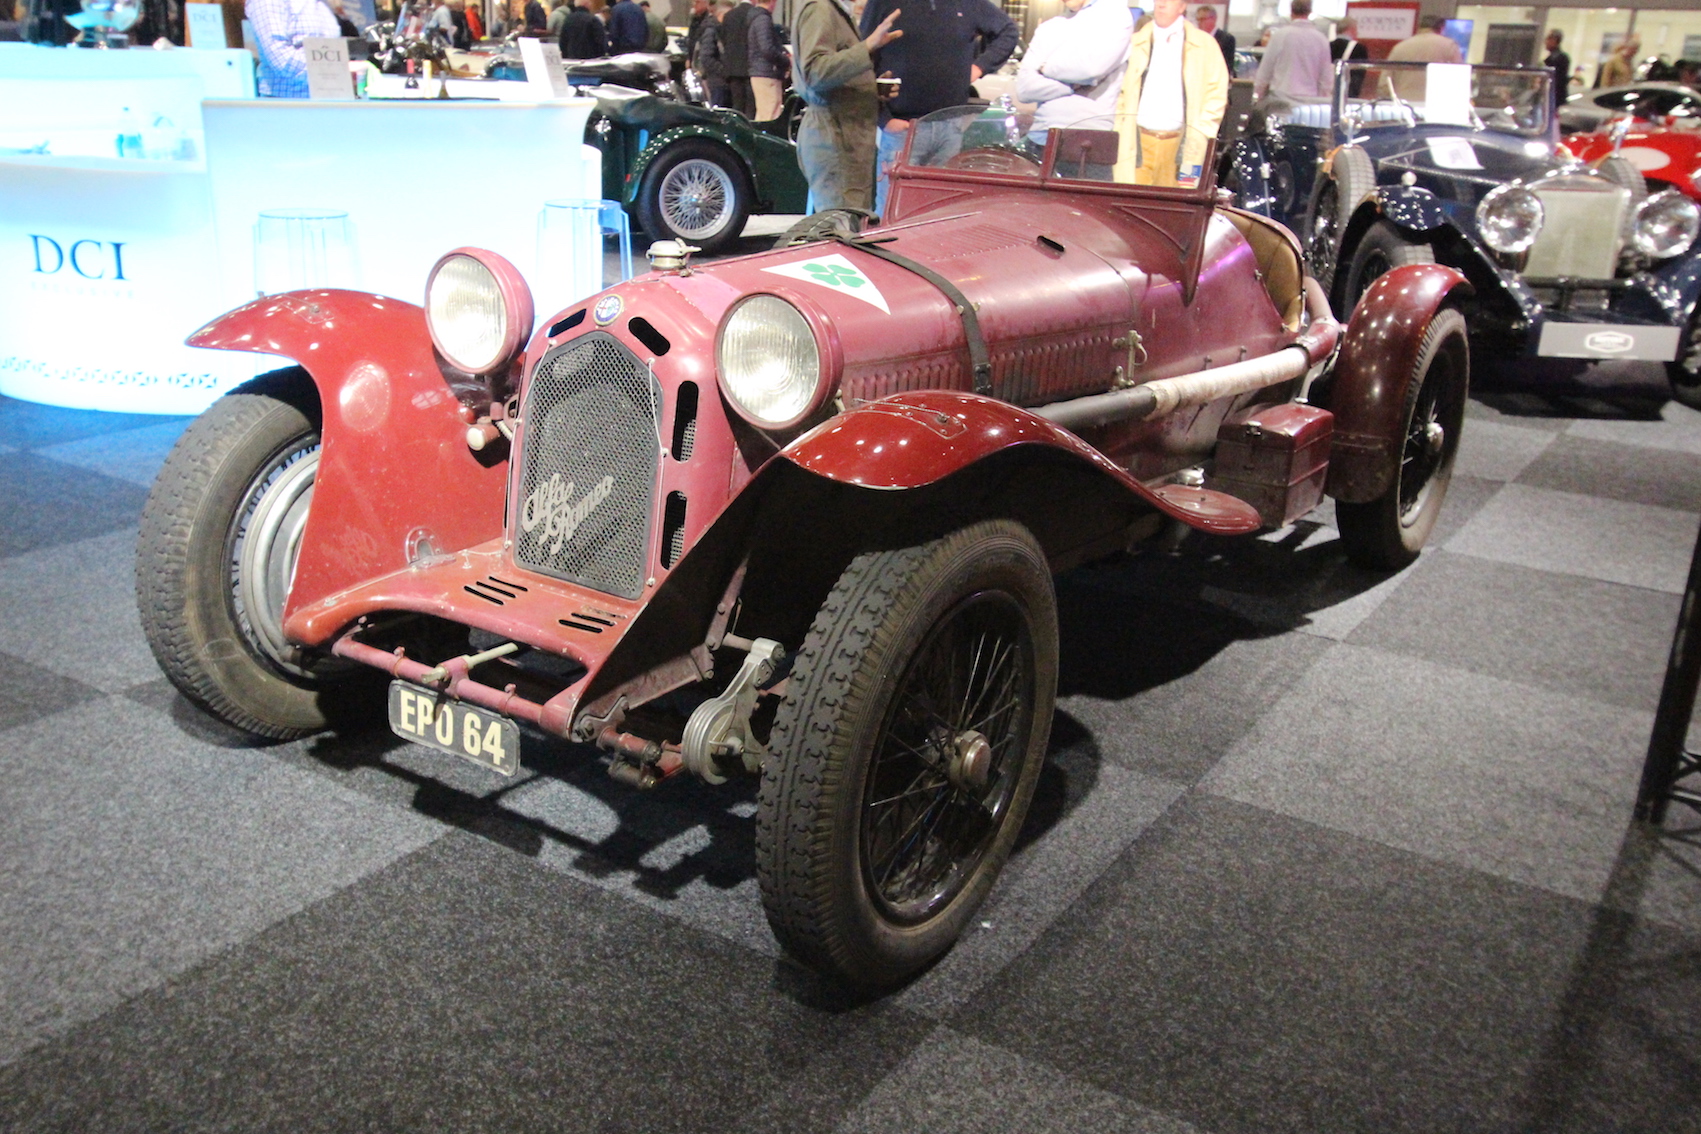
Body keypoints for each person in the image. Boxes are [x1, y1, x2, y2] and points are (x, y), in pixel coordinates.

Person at [860, 0, 1016, 212]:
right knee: (892, 214)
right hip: (903, 129)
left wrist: (979, 67)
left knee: (938, 215)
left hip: (950, 126)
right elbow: (862, 55)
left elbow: (1008, 31)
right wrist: (884, 119)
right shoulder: (883, 3)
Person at [792, 0, 901, 209]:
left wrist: (869, 88)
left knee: (848, 220)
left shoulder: (833, 10)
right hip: (835, 137)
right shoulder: (820, 10)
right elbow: (815, 72)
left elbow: (830, 76)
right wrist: (867, 46)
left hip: (843, 137)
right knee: (841, 223)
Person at [1111, 0, 1228, 188]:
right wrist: (1119, 125)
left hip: (1187, 147)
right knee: (1132, 199)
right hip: (1136, 145)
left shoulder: (1205, 46)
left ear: (1182, 6)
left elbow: (1217, 92)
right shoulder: (1135, 43)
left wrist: (1203, 132)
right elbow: (1118, 91)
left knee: (1184, 197)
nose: (1161, 4)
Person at [1015, 0, 1132, 146]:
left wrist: (1046, 68)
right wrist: (1074, 84)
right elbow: (1024, 90)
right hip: (1040, 136)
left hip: (1087, 139)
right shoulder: (1050, 27)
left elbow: (1091, 69)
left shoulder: (1115, 15)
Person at [247, 0, 341, 96]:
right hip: (286, 99)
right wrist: (335, 70)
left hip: (330, 95)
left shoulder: (322, 4)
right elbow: (280, 60)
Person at [1253, 0, 1331, 101]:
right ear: (1310, 12)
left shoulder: (1279, 36)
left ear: (1291, 11)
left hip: (1281, 97)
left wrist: (1258, 95)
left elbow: (1265, 71)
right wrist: (1322, 100)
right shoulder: (1321, 39)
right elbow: (1326, 78)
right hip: (1309, 98)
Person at [746, 0, 788, 120]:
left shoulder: (756, 18)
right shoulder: (763, 19)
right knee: (771, 115)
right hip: (767, 73)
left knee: (763, 115)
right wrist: (785, 60)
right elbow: (767, 49)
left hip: (760, 71)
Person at [720, 0, 757, 116]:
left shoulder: (728, 16)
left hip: (733, 68)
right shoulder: (755, 14)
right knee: (751, 107)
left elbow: (723, 39)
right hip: (750, 68)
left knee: (737, 105)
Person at [694, 0, 733, 104]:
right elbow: (706, 57)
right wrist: (724, 71)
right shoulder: (711, 30)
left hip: (721, 81)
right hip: (717, 82)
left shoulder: (719, 30)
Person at [1330, 14, 1367, 96]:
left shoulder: (1326, 46)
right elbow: (1358, 78)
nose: (1357, 33)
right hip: (1346, 94)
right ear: (1351, 29)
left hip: (1325, 94)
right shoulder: (1359, 49)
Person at [1194, 4, 1232, 74]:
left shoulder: (1226, 39)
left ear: (1213, 19)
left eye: (1202, 19)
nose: (1199, 23)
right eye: (1197, 20)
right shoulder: (1195, 38)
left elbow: (1226, 66)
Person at [1543, 29, 1569, 109]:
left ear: (1554, 40)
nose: (1545, 42)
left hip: (1554, 99)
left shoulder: (1557, 59)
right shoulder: (1557, 58)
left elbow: (1558, 81)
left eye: (1548, 39)